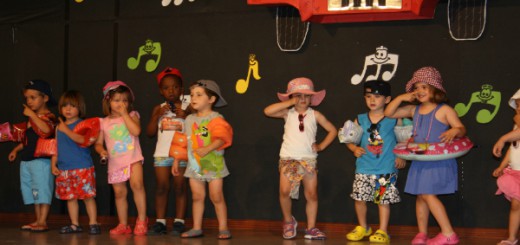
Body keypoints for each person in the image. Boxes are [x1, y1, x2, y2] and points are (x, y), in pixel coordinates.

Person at [384, 67, 466, 245]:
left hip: (439, 161)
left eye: (424, 87)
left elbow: (461, 129)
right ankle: (422, 233)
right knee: (421, 196)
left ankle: (448, 233)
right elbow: (388, 113)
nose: (419, 91)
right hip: (421, 160)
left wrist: (454, 131)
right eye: (417, 87)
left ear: (435, 89)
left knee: (428, 194)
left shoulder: (444, 110)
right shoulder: (414, 110)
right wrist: (400, 98)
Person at [264, 77, 337, 240]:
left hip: (308, 160)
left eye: (306, 96)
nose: (302, 99)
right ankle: (288, 221)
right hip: (288, 158)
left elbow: (332, 130)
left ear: (312, 98)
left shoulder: (315, 114)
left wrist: (321, 146)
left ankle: (311, 228)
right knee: (284, 191)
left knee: (311, 194)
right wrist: (289, 103)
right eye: (298, 96)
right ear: (291, 98)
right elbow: (267, 111)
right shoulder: (287, 113)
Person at [344, 80, 406, 243]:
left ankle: (383, 230)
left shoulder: (394, 119)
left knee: (382, 200)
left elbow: (404, 140)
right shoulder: (360, 119)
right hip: (364, 167)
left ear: (387, 100)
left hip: (385, 168)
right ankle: (363, 227)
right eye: (368, 96)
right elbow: (348, 138)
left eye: (377, 97)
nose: (372, 100)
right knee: (359, 198)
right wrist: (353, 149)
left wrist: (401, 156)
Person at [175, 79, 233, 240]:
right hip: (195, 166)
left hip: (214, 165)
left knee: (216, 196)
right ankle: (196, 227)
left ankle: (223, 227)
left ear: (211, 99)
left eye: (199, 95)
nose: (193, 98)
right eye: (192, 94)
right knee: (197, 196)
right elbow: (183, 142)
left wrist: (207, 149)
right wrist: (176, 159)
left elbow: (223, 138)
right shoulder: (188, 120)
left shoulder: (216, 118)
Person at [94, 81, 148, 235]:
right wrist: (101, 150)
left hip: (133, 158)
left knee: (137, 185)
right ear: (108, 101)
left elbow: (136, 131)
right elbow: (98, 143)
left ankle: (142, 220)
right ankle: (123, 224)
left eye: (124, 100)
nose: (121, 104)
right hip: (115, 163)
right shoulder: (103, 122)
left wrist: (125, 114)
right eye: (116, 100)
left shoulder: (132, 115)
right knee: (119, 193)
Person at [146, 67, 191, 235]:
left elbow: (197, 129)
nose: (171, 91)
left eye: (175, 87)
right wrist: (155, 117)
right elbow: (150, 133)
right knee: (161, 187)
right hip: (162, 154)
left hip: (181, 154)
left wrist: (186, 115)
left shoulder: (189, 107)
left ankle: (179, 221)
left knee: (180, 186)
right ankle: (160, 222)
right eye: (166, 88)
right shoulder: (159, 108)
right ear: (161, 91)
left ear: (182, 89)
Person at [8, 80, 57, 232]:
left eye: (33, 97)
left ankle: (43, 221)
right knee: (35, 192)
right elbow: (27, 140)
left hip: (41, 161)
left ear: (45, 98)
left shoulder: (49, 117)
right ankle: (37, 220)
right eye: (27, 98)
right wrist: (16, 150)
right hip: (27, 160)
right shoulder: (32, 119)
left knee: (42, 190)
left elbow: (46, 130)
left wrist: (32, 116)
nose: (29, 101)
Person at [51, 90, 100, 235]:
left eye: (72, 106)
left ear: (80, 108)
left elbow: (82, 140)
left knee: (88, 197)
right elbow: (56, 147)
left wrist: (66, 130)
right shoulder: (58, 127)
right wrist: (54, 164)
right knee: (70, 199)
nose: (68, 109)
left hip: (82, 167)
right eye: (65, 106)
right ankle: (74, 224)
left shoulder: (84, 124)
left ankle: (93, 223)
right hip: (65, 169)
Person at [493, 88, 520, 245]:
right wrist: (503, 166)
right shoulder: (516, 127)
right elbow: (513, 147)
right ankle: (511, 238)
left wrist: (502, 138)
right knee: (516, 204)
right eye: (517, 105)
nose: (519, 108)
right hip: (516, 172)